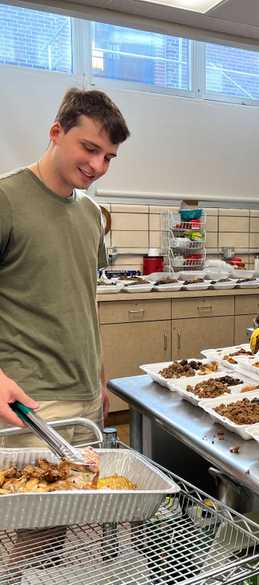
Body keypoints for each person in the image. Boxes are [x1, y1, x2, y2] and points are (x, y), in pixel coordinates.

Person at [0, 87, 130, 443]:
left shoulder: (90, 214)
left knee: (85, 498)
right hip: (27, 401)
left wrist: (99, 381)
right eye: (90, 149)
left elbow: (87, 304)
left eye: (109, 157)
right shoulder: (6, 199)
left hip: (85, 397)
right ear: (56, 133)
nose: (98, 166)